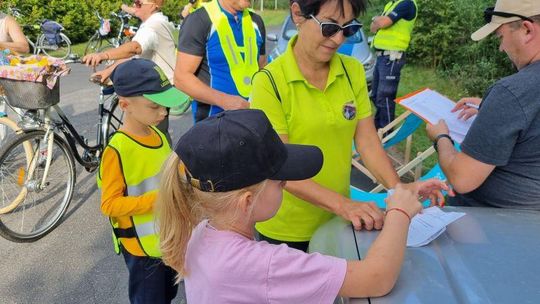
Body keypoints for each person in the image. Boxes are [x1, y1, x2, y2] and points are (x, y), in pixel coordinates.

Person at [156, 109, 447, 303]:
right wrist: (399, 212)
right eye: (280, 180)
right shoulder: (264, 265)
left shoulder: (201, 232)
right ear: (246, 202)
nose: (286, 184)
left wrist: (402, 194)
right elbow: (377, 277)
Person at [250, 0, 446, 252]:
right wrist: (344, 205)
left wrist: (399, 190)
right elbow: (281, 166)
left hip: (339, 223)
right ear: (297, 13)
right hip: (287, 229)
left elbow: (366, 141)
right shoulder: (269, 82)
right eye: (330, 27)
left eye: (348, 29)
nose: (339, 39)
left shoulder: (351, 70)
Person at [426, 0, 540, 210]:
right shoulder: (515, 99)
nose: (500, 48)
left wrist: (441, 137)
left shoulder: (511, 92)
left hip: (492, 225)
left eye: (501, 37)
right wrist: (489, 110)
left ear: (526, 29)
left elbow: (462, 179)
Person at [96, 59, 188, 303]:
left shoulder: (157, 133)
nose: (164, 112)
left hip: (167, 239)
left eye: (165, 106)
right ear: (125, 104)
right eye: (154, 106)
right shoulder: (118, 150)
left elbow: (165, 171)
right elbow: (109, 205)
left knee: (169, 293)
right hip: (142, 251)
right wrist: (157, 200)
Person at [83, 0, 180, 141]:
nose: (134, 6)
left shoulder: (153, 26)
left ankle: (163, 161)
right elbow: (136, 55)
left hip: (157, 88)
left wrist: (103, 55)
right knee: (149, 132)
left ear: (153, 6)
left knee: (155, 135)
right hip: (158, 83)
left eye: (139, 3)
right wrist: (108, 71)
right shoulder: (155, 22)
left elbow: (134, 48)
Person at [174, 0, 267, 123]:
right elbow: (181, 78)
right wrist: (225, 101)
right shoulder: (199, 20)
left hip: (252, 121)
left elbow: (262, 67)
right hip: (213, 124)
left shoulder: (256, 21)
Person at [369, 0, 417, 130]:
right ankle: (379, 129)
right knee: (375, 95)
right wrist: (378, 21)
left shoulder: (406, 3)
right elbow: (373, 28)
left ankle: (386, 134)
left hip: (392, 57)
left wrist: (377, 19)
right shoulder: (390, 5)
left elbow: (383, 23)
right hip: (381, 57)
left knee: (384, 98)